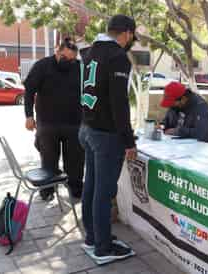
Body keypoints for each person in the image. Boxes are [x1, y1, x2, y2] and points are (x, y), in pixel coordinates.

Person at [78, 14, 137, 261]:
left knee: (91, 187)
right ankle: (102, 246)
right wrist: (128, 140)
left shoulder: (89, 51)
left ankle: (93, 236)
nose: (131, 41)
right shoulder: (117, 56)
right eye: (132, 36)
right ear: (126, 33)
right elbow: (119, 103)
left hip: (87, 128)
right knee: (103, 192)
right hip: (105, 134)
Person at [24, 38, 84, 201]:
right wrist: (29, 116)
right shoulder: (42, 66)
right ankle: (47, 191)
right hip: (47, 124)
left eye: (72, 59)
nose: (69, 62)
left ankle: (76, 190)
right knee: (49, 161)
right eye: (65, 58)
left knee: (75, 162)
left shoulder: (79, 67)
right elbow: (29, 90)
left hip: (74, 124)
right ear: (57, 52)